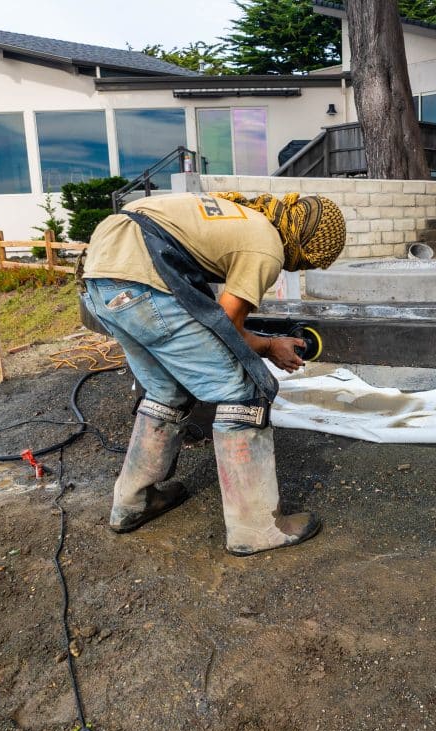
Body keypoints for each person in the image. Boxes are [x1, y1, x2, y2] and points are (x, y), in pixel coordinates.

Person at [80, 191, 346, 556]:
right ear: (305, 244)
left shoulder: (240, 216)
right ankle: (255, 528)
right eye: (308, 261)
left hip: (101, 277)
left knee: (165, 390)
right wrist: (270, 347)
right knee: (244, 391)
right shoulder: (266, 245)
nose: (299, 267)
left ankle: (133, 502)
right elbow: (228, 325)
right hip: (141, 279)